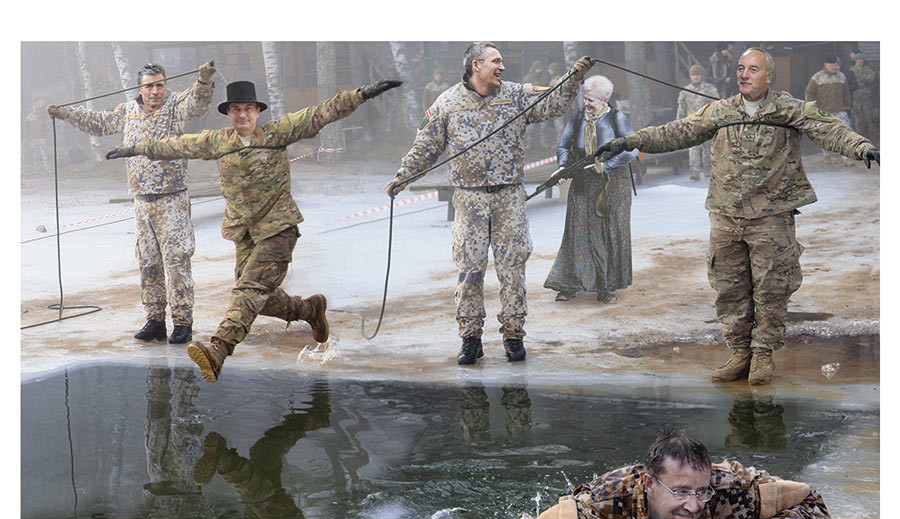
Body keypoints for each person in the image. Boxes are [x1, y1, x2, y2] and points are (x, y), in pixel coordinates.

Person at [595, 47, 879, 385]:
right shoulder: (721, 111)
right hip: (726, 215)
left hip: (771, 217)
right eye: (741, 68)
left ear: (769, 76)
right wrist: (629, 141)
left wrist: (861, 147)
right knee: (729, 288)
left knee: (771, 288)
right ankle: (739, 351)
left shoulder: (788, 109)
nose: (744, 74)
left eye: (753, 69)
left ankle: (762, 354)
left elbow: (831, 130)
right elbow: (676, 131)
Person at [108, 78, 402, 382]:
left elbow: (321, 113)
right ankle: (309, 310)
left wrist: (361, 94)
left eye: (248, 109)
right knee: (261, 297)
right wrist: (136, 148)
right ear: (229, 113)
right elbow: (178, 145)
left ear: (258, 111)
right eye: (236, 110)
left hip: (278, 228)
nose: (242, 115)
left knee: (248, 291)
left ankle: (219, 348)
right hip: (245, 234)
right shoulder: (220, 142)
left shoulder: (278, 133)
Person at [386, 42, 594, 365]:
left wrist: (574, 79)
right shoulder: (448, 103)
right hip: (469, 201)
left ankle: (514, 336)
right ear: (476, 66)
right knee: (470, 269)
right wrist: (402, 177)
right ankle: (471, 339)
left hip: (509, 197)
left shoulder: (515, 96)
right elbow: (426, 146)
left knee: (513, 268)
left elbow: (552, 105)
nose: (502, 67)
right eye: (496, 61)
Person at [48, 61, 216, 345]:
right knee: (148, 262)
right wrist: (64, 113)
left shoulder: (176, 104)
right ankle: (154, 320)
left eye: (159, 85)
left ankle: (183, 322)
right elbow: (99, 123)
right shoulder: (128, 110)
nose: (155, 91)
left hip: (171, 200)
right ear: (140, 88)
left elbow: (198, 105)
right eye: (149, 86)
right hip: (142, 203)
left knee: (177, 262)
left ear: (165, 85)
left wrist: (203, 79)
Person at [535, 428, 830, 519]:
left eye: (701, 491)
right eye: (680, 492)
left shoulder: (733, 489)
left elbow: (813, 503)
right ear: (650, 485)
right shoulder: (597, 506)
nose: (693, 505)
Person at [543, 75, 639, 303]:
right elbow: (563, 145)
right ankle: (570, 283)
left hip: (613, 182)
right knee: (577, 231)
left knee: (608, 233)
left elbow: (632, 150)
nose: (587, 103)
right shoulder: (577, 119)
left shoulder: (618, 119)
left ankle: (607, 288)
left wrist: (606, 166)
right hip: (583, 179)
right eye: (585, 99)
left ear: (605, 99)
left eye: (592, 100)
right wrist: (563, 167)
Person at [805, 55, 853, 166]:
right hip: (823, 111)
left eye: (836, 65)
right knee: (824, 135)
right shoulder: (817, 77)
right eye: (832, 65)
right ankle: (826, 154)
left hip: (840, 110)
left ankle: (846, 158)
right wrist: (812, 108)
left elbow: (846, 93)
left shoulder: (842, 77)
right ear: (826, 65)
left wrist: (848, 106)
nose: (835, 67)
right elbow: (809, 93)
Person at [676, 64, 719, 180]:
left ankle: (707, 169)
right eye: (693, 75)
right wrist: (678, 123)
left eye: (698, 75)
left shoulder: (710, 90)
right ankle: (694, 172)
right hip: (692, 125)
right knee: (693, 149)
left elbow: (716, 106)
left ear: (702, 76)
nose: (695, 77)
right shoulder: (686, 91)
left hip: (706, 124)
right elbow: (681, 108)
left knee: (707, 149)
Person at [849, 56, 877, 140]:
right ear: (855, 60)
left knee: (868, 116)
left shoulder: (868, 69)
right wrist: (864, 78)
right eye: (858, 59)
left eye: (862, 60)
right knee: (858, 117)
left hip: (866, 96)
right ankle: (859, 137)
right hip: (856, 96)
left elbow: (872, 78)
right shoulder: (851, 70)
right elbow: (852, 81)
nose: (860, 61)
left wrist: (859, 79)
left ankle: (872, 136)